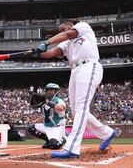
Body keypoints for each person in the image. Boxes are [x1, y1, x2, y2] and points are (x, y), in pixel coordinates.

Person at [32, 21, 117, 158]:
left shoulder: (83, 27)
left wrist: (46, 42)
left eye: (63, 29)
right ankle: (107, 133)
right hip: (75, 71)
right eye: (60, 30)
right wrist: (38, 53)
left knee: (81, 107)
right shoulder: (66, 43)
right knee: (77, 110)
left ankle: (72, 148)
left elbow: (67, 34)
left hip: (89, 66)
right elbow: (54, 52)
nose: (62, 31)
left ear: (71, 26)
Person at [27, 83, 66, 149]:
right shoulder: (45, 101)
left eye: (51, 90)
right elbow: (46, 115)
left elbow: (61, 108)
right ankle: (48, 140)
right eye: (48, 90)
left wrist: (48, 102)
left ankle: (63, 139)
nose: (49, 91)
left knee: (53, 145)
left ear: (56, 91)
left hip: (57, 127)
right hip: (46, 126)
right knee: (31, 128)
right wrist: (35, 121)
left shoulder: (59, 100)